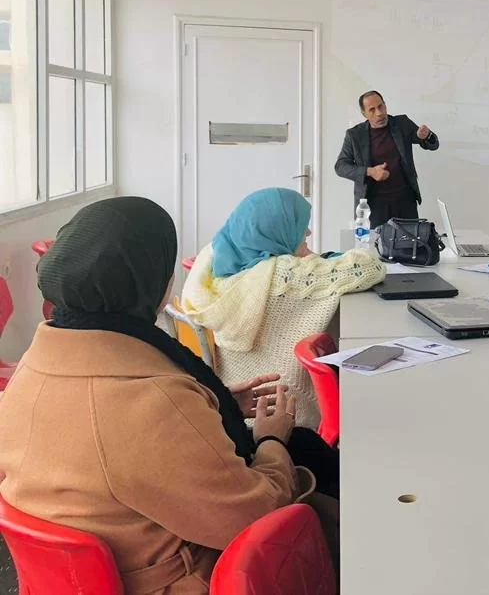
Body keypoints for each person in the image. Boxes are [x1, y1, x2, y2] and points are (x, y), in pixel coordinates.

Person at [0, 197, 329, 594]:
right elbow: (254, 512)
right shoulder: (151, 401)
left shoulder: (32, 369)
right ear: (155, 283)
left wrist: (210, 405)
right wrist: (271, 439)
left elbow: (104, 443)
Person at [182, 187, 386, 430]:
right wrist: (313, 260)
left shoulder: (215, 257)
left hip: (235, 406)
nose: (308, 232)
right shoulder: (282, 274)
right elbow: (370, 267)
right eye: (300, 226)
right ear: (275, 229)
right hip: (284, 416)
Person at [334, 90, 439, 227]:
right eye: (372, 110)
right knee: (372, 241)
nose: (379, 113)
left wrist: (426, 136)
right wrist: (370, 171)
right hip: (372, 206)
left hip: (405, 202)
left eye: (380, 106)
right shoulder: (354, 135)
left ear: (385, 105)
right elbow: (340, 166)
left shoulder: (402, 124)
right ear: (364, 114)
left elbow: (432, 144)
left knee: (410, 241)